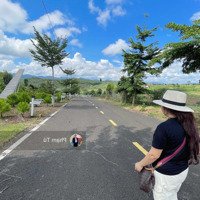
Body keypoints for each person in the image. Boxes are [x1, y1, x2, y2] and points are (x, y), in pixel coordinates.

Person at [135, 90, 199, 200]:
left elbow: (153, 155)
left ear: (165, 108)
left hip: (166, 175)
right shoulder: (189, 125)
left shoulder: (164, 127)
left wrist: (140, 164)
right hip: (182, 171)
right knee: (172, 195)